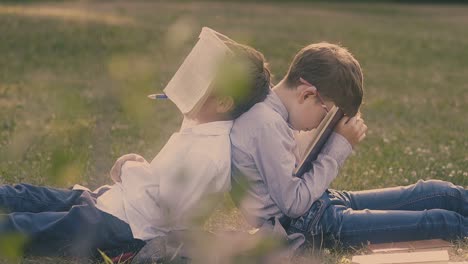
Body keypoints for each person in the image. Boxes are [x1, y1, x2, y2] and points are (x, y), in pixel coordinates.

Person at [0, 40, 272, 258]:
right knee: (30, 196)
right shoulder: (199, 124)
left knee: (25, 227)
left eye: (202, 83)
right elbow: (161, 183)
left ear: (223, 103)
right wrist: (137, 165)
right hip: (112, 202)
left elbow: (165, 213)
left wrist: (131, 167)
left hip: (120, 225)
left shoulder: (209, 154)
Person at [230, 42, 467, 249]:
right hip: (306, 226)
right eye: (326, 119)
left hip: (319, 206)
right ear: (307, 94)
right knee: (442, 222)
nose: (318, 126)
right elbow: (293, 204)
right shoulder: (265, 124)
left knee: (439, 191)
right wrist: (338, 147)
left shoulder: (271, 116)